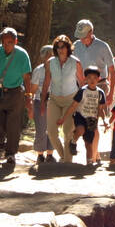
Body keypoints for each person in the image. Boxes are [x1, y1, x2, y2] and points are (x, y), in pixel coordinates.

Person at [0, 27, 32, 160]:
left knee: (13, 125)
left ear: (16, 41)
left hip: (16, 93)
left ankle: (11, 153)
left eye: (10, 42)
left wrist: (28, 97)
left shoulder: (22, 55)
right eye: (4, 42)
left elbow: (27, 77)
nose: (6, 45)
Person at [42, 34, 82, 163]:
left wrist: (82, 101)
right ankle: (63, 157)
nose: (61, 50)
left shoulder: (75, 62)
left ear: (68, 48)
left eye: (63, 47)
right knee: (52, 132)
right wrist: (43, 102)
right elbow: (46, 83)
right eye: (58, 47)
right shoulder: (50, 62)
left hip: (70, 100)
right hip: (53, 99)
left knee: (67, 131)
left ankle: (67, 162)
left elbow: (82, 82)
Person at [62, 65, 108, 164]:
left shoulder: (100, 93)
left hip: (92, 119)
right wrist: (64, 118)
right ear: (86, 79)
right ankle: (73, 142)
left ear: (99, 79)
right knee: (80, 130)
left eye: (95, 78)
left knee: (89, 144)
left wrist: (104, 120)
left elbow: (100, 109)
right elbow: (73, 105)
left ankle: (89, 162)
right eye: (90, 78)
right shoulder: (82, 91)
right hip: (81, 116)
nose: (92, 80)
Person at [71, 19, 115, 97]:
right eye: (79, 36)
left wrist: (111, 94)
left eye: (84, 36)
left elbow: (112, 70)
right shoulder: (76, 45)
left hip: (100, 85)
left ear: (91, 32)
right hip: (81, 86)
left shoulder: (103, 46)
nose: (81, 39)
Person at [30, 45, 54, 162]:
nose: (50, 58)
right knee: (41, 128)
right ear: (43, 57)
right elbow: (33, 89)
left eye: (52, 55)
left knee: (52, 128)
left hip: (54, 102)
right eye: (48, 55)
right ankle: (40, 154)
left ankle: (50, 154)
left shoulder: (59, 69)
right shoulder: (38, 70)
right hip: (40, 101)